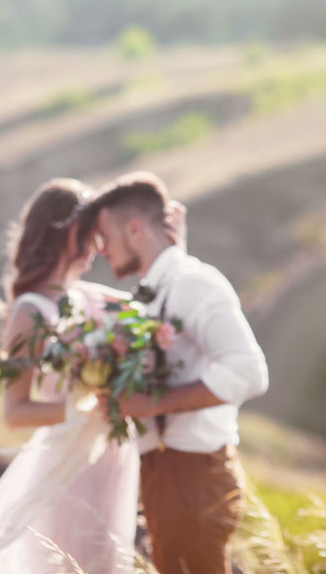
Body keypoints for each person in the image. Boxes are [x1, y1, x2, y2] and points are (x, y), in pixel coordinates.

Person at [0, 178, 147, 574]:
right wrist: (77, 406)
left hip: (110, 456)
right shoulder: (29, 312)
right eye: (91, 234)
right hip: (65, 462)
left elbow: (151, 309)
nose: (99, 247)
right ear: (68, 231)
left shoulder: (89, 296)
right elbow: (16, 412)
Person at [85, 171, 269, 574]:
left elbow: (250, 372)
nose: (100, 249)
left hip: (191, 474)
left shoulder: (195, 284)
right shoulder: (158, 290)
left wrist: (149, 403)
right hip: (168, 472)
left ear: (134, 229)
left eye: (104, 236)